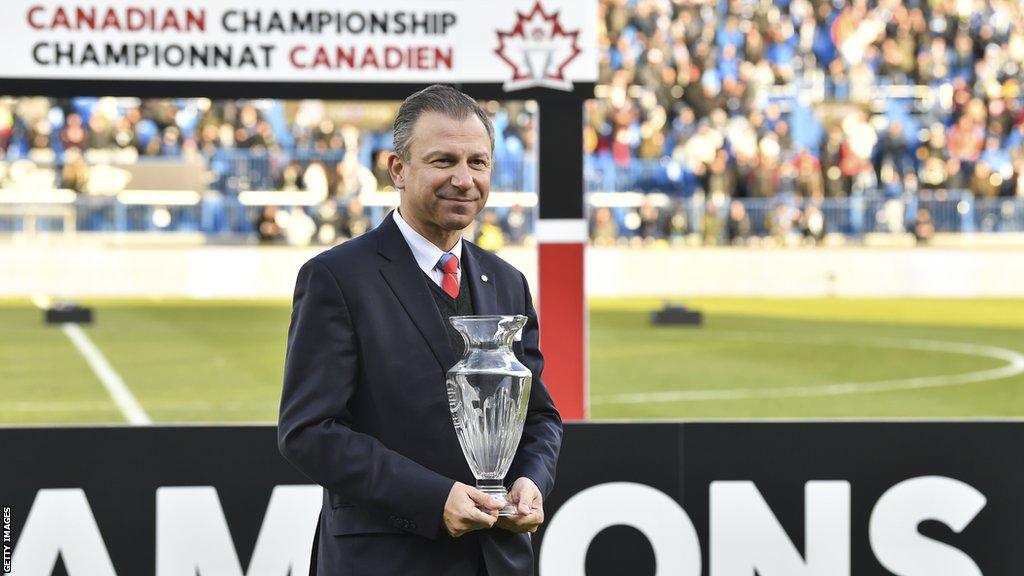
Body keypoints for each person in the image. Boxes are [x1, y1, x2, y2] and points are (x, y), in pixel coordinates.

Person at [278, 85, 562, 576]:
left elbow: (539, 417)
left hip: (497, 560)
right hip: (386, 561)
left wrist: (531, 481)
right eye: (443, 160)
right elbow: (309, 432)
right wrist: (434, 499)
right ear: (397, 169)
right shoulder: (338, 278)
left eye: (478, 162)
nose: (463, 179)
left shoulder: (508, 283)